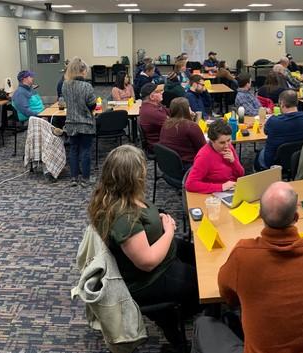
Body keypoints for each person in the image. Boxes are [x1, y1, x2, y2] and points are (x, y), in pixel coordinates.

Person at [87, 144, 199, 346]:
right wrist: (169, 230)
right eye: (142, 171)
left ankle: (178, 311)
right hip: (149, 277)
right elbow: (147, 262)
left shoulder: (119, 196)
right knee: (204, 286)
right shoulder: (123, 217)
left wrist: (160, 220)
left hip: (161, 251)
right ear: (132, 178)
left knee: (199, 257)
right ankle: (174, 320)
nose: (145, 174)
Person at [217, 181, 303, 353]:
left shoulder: (243, 255)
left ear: (260, 215)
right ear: (296, 217)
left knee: (204, 325)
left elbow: (227, 296)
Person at [62, 57, 97, 187]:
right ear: (82, 71)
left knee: (73, 150)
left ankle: (74, 178)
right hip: (85, 123)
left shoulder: (65, 85)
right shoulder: (87, 86)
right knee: (86, 151)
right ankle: (86, 179)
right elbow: (92, 105)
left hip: (71, 122)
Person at [257, 90, 303, 170]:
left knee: (260, 155)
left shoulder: (273, 121)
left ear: (282, 104)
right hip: (300, 159)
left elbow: (265, 131)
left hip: (274, 162)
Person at [185, 119, 244, 194]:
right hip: (216, 193)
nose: (226, 145)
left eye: (229, 140)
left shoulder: (229, 147)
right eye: (222, 143)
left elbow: (241, 174)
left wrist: (234, 162)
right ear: (212, 141)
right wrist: (221, 187)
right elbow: (190, 184)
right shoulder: (204, 156)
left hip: (233, 188)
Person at [159, 97, 205, 166]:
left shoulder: (166, 123)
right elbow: (203, 148)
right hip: (187, 165)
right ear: (187, 109)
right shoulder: (191, 126)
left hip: (168, 164)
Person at [138, 83, 169, 151]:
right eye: (158, 92)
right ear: (152, 96)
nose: (161, 93)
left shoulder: (155, 105)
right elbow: (173, 126)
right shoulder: (152, 112)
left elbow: (169, 111)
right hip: (160, 145)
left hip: (162, 140)